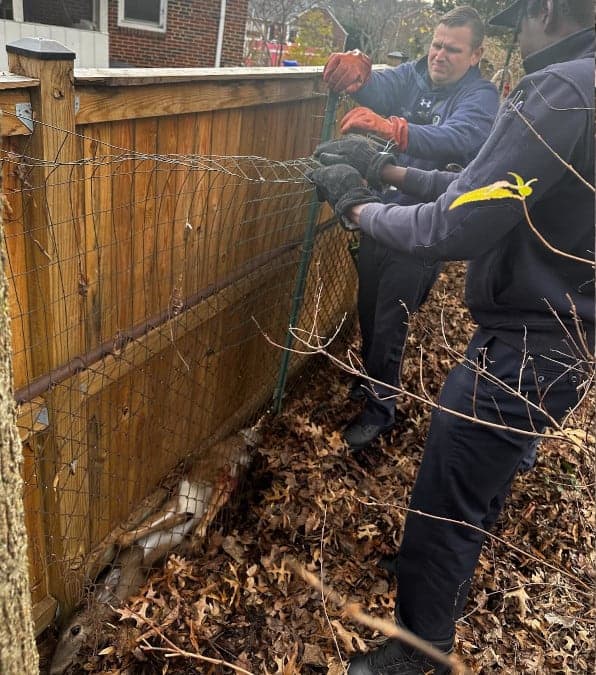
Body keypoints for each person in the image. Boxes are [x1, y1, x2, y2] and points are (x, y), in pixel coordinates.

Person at [308, 0, 594, 672]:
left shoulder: (560, 90)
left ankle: (419, 651)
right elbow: (481, 191)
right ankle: (437, 575)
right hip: (564, 341)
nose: (518, 34)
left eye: (519, 18)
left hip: (526, 346)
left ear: (546, 8)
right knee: (477, 484)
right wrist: (386, 171)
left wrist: (357, 205)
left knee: (445, 495)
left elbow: (451, 225)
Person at [320, 7, 499, 453]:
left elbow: (459, 138)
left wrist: (397, 130)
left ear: (475, 54)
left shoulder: (480, 99)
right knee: (368, 306)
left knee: (390, 320)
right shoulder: (416, 73)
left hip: (426, 228)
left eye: (452, 50)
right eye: (436, 44)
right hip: (383, 212)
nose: (439, 55)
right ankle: (369, 383)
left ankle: (382, 409)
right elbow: (384, 84)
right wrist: (360, 70)